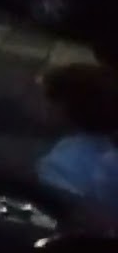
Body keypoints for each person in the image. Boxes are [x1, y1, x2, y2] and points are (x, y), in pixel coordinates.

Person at [35, 63, 118, 217]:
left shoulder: (60, 165)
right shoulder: (109, 149)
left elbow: (68, 220)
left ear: (61, 107)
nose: (42, 105)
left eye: (47, 98)